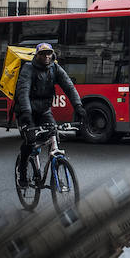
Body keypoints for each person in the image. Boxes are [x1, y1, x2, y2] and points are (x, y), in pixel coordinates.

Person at [15, 43, 85, 186]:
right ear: (37, 55)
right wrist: (27, 113)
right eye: (43, 53)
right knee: (30, 140)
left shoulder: (55, 68)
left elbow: (69, 86)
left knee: (54, 134)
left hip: (44, 110)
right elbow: (23, 92)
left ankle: (54, 164)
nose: (46, 56)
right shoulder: (28, 68)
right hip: (26, 110)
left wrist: (78, 106)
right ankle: (22, 172)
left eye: (49, 53)